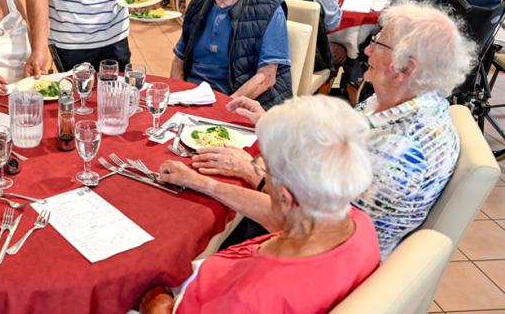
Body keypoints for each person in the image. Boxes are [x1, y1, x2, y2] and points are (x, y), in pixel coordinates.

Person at [182, 1, 475, 260]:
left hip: (325, 263)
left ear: (405, 68)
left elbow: (308, 229)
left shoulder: (397, 152)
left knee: (201, 224)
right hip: (319, 228)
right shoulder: (411, 100)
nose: (367, 49)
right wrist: (271, 125)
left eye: (378, 43)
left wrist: (248, 174)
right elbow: (332, 143)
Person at [142, 96, 379, 313]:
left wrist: (155, 298)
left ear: (286, 198)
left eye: (264, 169)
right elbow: (284, 217)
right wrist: (202, 183)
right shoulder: (359, 225)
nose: (261, 173)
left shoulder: (248, 298)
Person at [171, 0, 292, 109]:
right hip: (192, 100)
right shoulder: (198, 4)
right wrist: (179, 96)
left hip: (238, 104)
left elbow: (265, 78)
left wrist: (222, 109)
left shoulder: (269, 9)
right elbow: (178, 61)